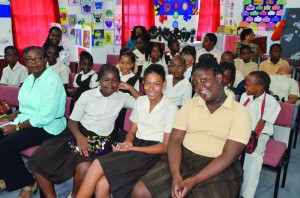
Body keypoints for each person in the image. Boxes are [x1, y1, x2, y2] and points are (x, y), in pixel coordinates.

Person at [132, 54, 252, 198]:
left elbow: (229, 155)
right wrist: (175, 174)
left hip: (218, 167)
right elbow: (175, 141)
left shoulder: (240, 112)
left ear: (219, 78)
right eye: (195, 83)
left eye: (203, 80)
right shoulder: (190, 105)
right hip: (183, 159)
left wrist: (194, 180)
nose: (199, 87)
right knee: (140, 191)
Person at [28, 64, 141, 198]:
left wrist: (128, 87)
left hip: (101, 142)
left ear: (119, 82)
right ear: (99, 80)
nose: (110, 84)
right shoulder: (88, 95)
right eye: (106, 79)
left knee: (85, 168)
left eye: (115, 80)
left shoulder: (122, 97)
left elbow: (143, 102)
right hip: (78, 134)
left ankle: (75, 195)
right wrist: (80, 138)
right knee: (40, 160)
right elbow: (72, 122)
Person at [76, 64, 178, 198]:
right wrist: (128, 142)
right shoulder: (140, 101)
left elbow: (164, 147)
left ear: (164, 83)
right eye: (147, 84)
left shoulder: (170, 108)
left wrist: (133, 148)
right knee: (102, 185)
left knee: (96, 164)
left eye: (156, 84)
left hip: (153, 153)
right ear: (143, 83)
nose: (151, 89)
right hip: (136, 147)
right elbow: (132, 131)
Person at [0, 46, 66, 197]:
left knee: (5, 146)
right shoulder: (30, 79)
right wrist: (11, 117)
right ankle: (5, 177)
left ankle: (27, 181)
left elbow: (44, 117)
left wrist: (16, 127)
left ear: (45, 60)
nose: (34, 62)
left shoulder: (52, 81)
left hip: (48, 126)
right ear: (25, 63)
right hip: (27, 120)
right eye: (29, 59)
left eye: (38, 58)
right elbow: (25, 106)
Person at [240, 71, 281, 198]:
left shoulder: (271, 102)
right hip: (243, 130)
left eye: (248, 85)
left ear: (259, 87)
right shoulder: (244, 96)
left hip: (259, 134)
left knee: (254, 156)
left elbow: (261, 123)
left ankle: (247, 194)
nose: (244, 87)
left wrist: (252, 138)